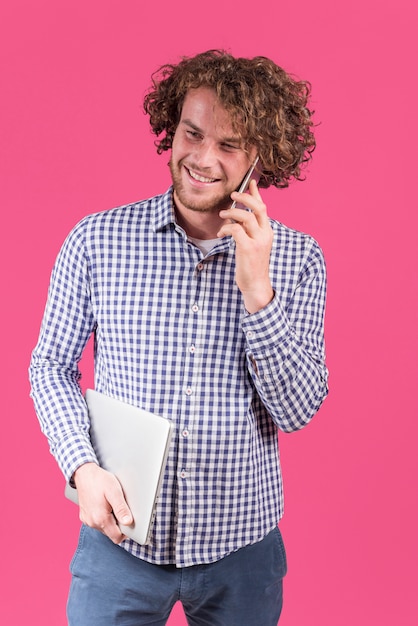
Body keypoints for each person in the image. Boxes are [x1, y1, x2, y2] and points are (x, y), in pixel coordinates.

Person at [29, 49, 329, 625]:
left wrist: (257, 292)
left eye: (229, 145)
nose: (203, 158)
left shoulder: (298, 259)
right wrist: (80, 467)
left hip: (241, 552)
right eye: (192, 134)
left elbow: (296, 412)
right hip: (120, 545)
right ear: (173, 129)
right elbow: (50, 366)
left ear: (260, 158)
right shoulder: (98, 239)